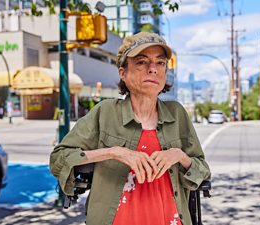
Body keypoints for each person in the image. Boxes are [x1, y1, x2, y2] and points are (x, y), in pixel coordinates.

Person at [49, 32, 211, 225]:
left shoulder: (177, 114)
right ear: (123, 73)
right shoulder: (105, 112)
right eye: (142, 62)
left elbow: (203, 171)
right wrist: (113, 152)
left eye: (160, 63)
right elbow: (58, 159)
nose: (153, 69)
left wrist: (180, 156)